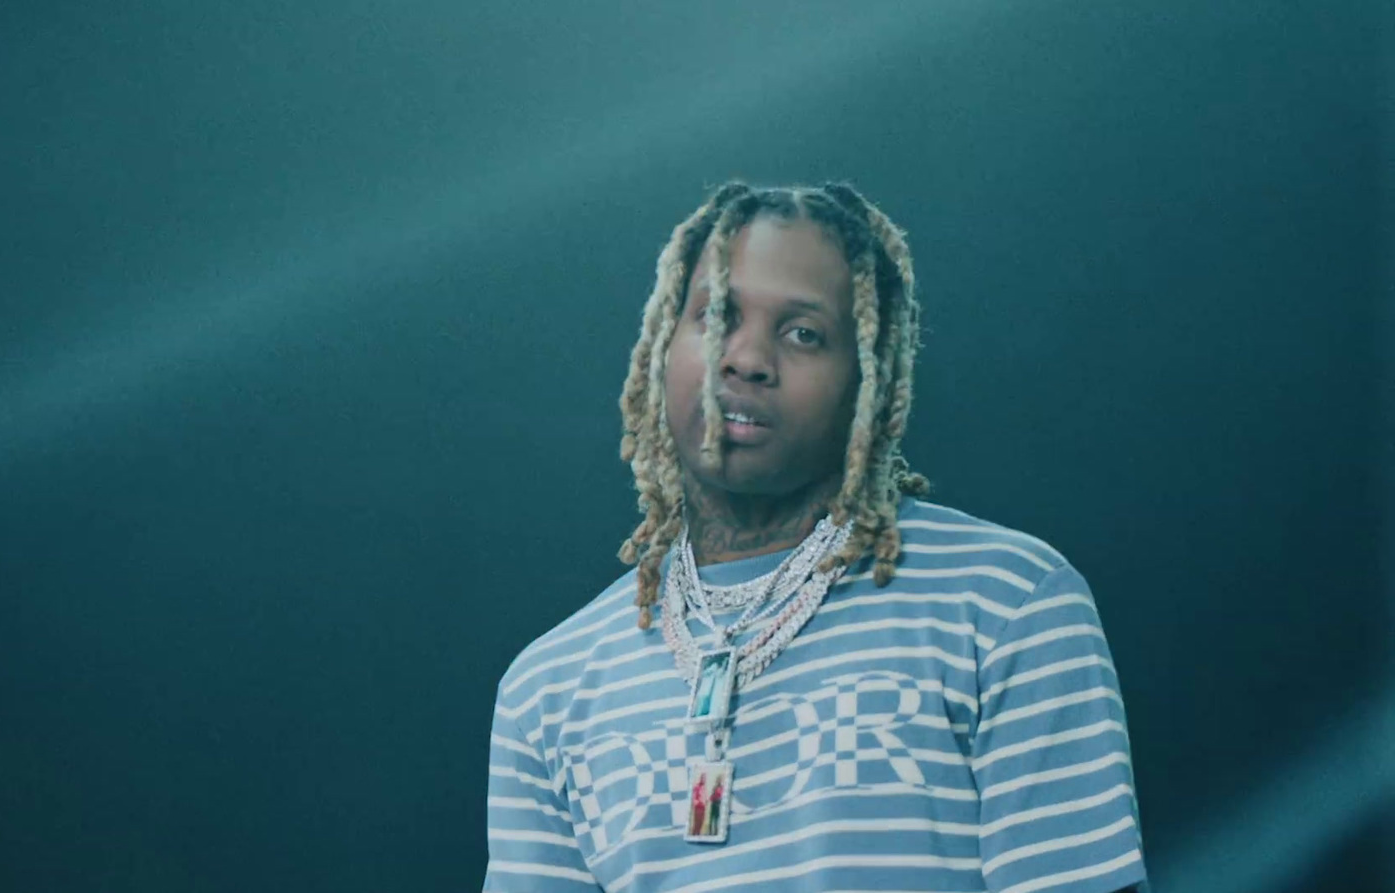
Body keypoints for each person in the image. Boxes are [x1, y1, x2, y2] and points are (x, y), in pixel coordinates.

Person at [482, 182, 1148, 893]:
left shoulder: (1006, 604)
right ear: (658, 348)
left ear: (869, 378)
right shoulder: (546, 688)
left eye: (803, 332)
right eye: (716, 316)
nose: (744, 359)